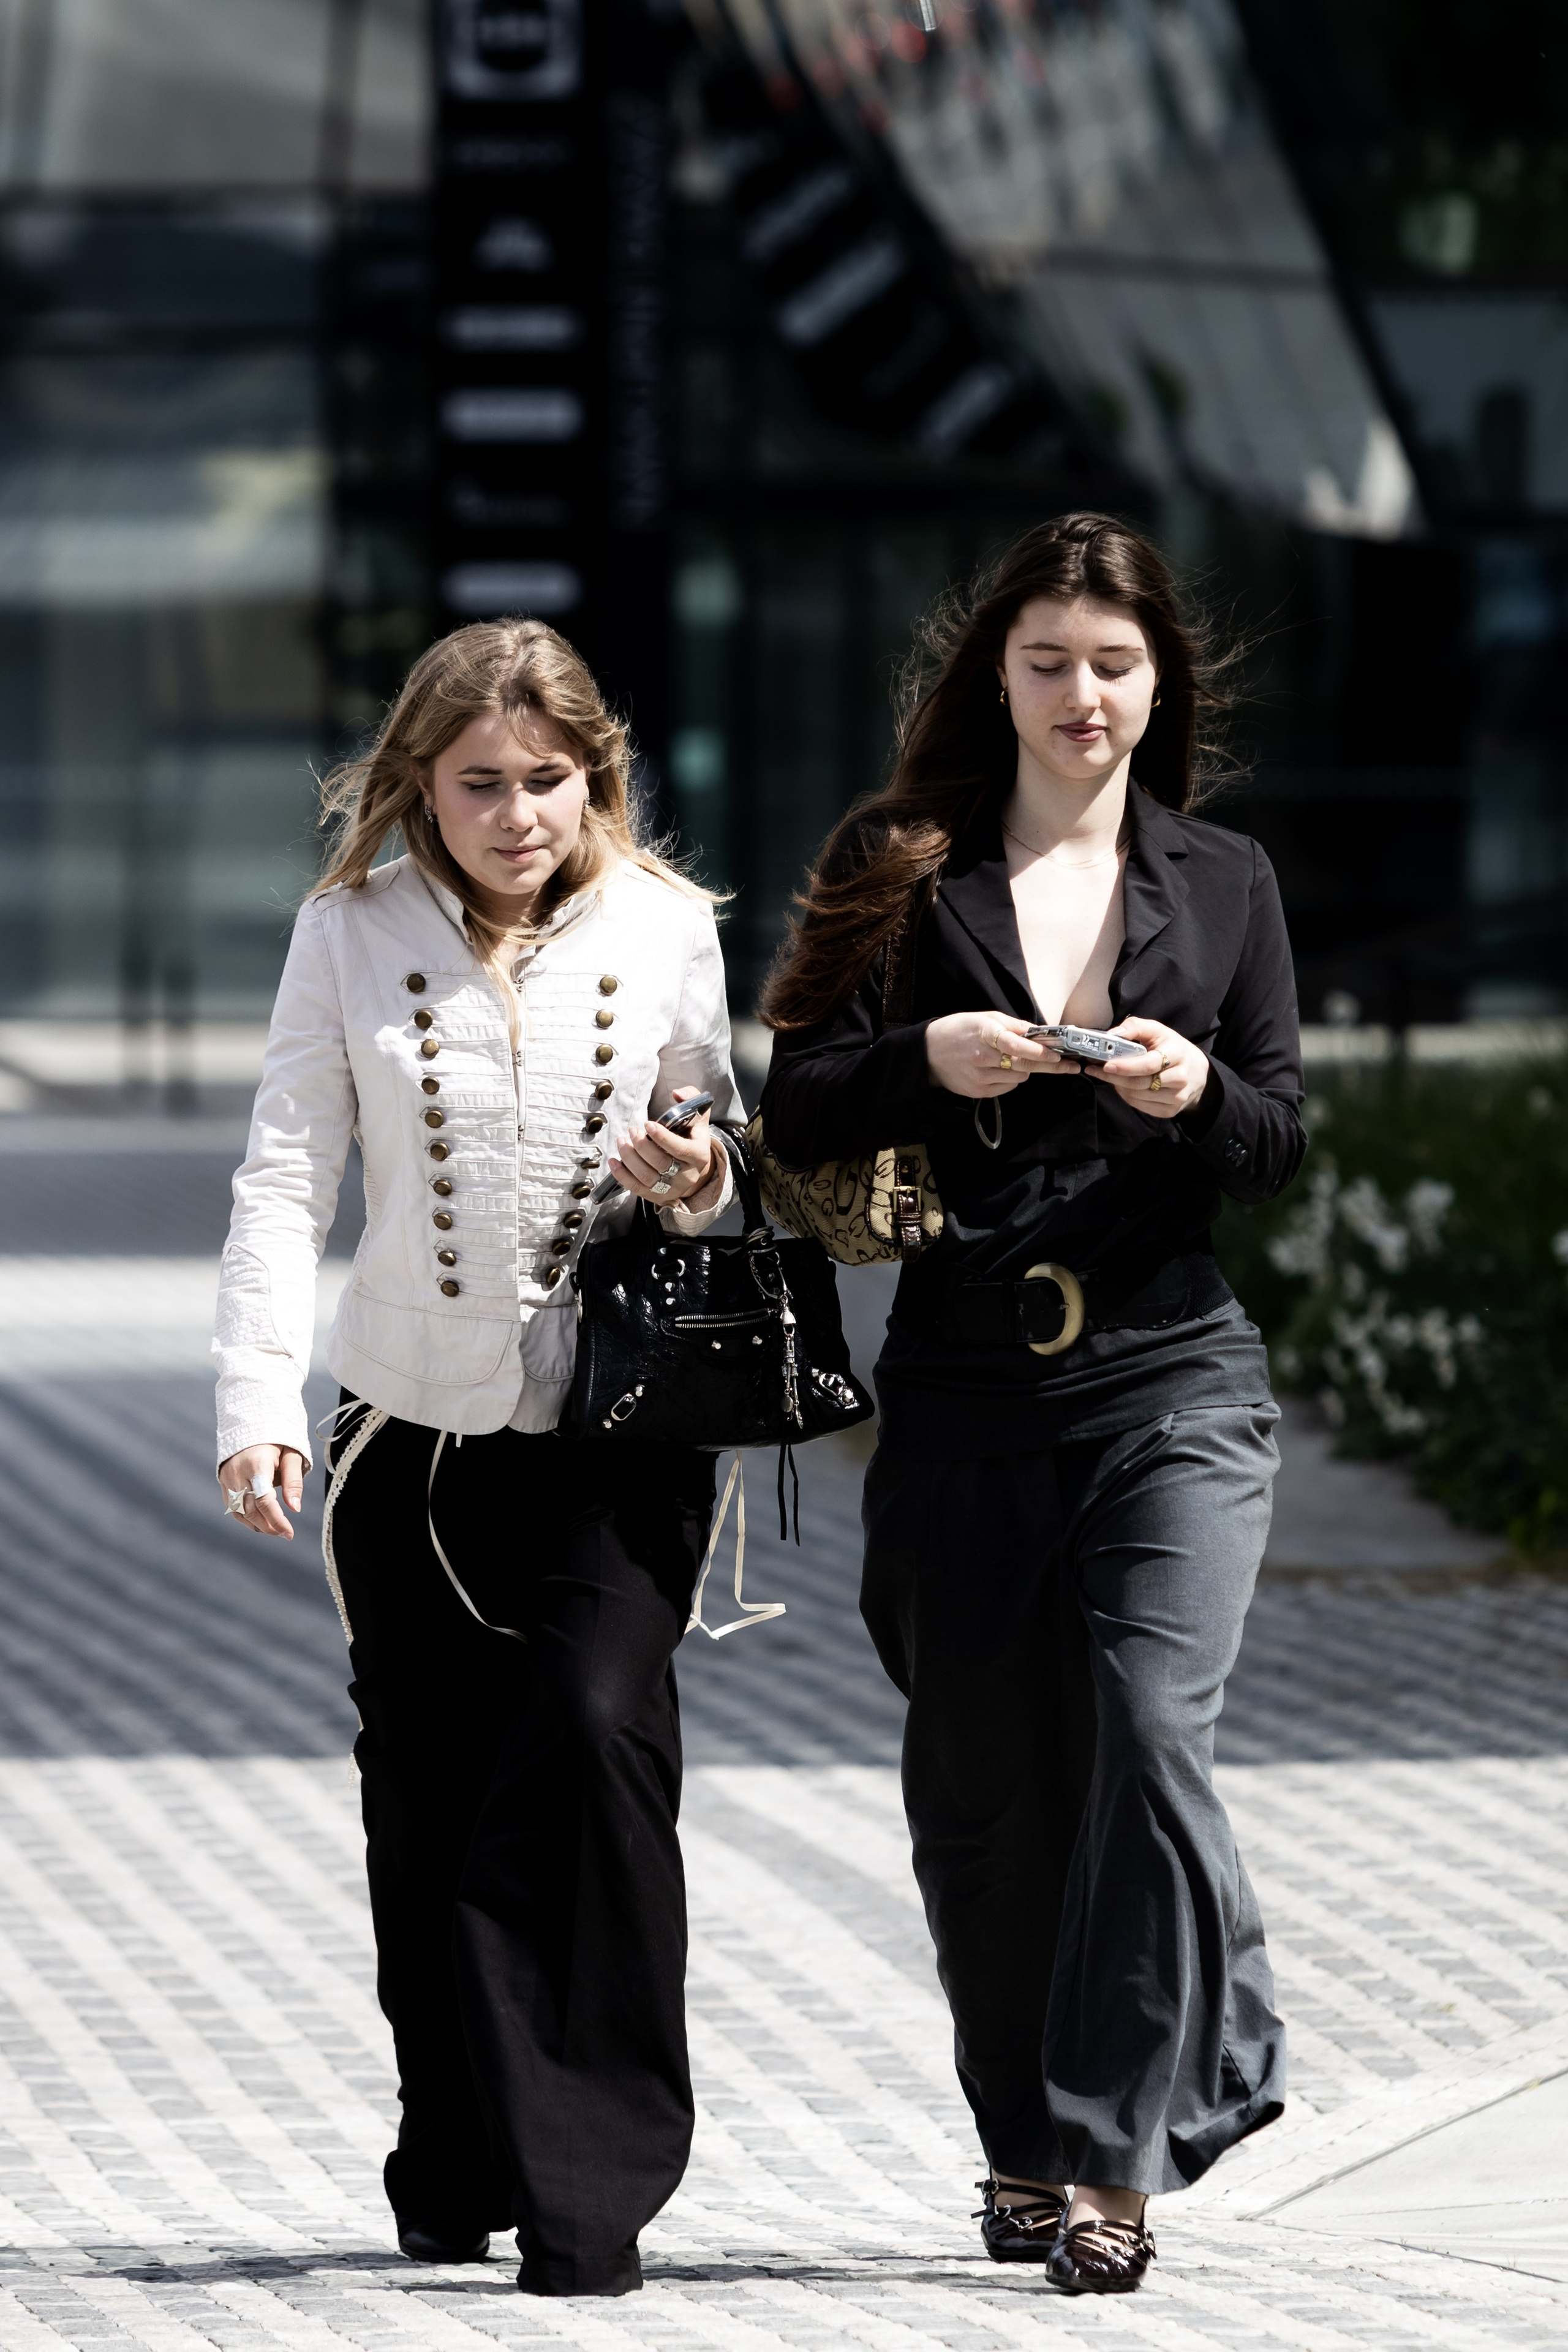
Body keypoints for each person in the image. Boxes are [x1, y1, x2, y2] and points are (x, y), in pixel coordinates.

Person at [758, 514, 1304, 2294]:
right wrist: (928, 1058)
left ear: (1163, 683)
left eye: (1118, 663)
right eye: (1054, 660)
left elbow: (1282, 1143)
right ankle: (1020, 2140)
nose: (1086, 694)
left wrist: (1196, 1086)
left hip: (1172, 1375)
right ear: (997, 673)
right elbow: (799, 1104)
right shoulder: (900, 863)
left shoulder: (1222, 883)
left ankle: (1115, 2163)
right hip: (967, 1387)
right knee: (988, 1794)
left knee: (1151, 1733)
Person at [213, 619, 742, 2298]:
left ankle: (592, 2184)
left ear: (600, 775)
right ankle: (454, 2144)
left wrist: (696, 1173)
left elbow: (721, 1152)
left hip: (613, 1435)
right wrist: (255, 1405)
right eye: (481, 784)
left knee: (594, 1742)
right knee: (429, 1800)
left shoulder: (670, 929)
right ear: (420, 789)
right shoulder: (344, 935)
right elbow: (286, 1175)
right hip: (404, 1440)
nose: (520, 813)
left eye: (550, 779)